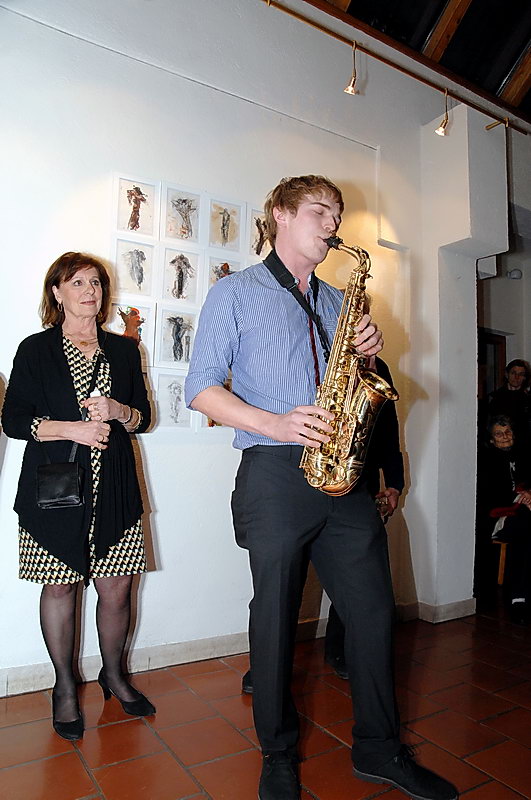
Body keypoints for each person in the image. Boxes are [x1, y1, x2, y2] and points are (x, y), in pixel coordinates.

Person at [185, 175, 457, 800]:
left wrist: (367, 355)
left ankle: (379, 749)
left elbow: (355, 385)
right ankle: (277, 753)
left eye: (337, 214)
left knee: (373, 610)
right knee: (276, 617)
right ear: (280, 214)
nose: (333, 224)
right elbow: (201, 389)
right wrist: (275, 422)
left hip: (341, 472)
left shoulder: (340, 301)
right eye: (319, 211)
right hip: (275, 469)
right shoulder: (235, 292)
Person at [2, 252, 155, 742]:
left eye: (96, 282)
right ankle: (64, 685)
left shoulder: (124, 351)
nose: (90, 291)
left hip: (114, 486)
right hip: (56, 488)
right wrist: (72, 428)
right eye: (77, 283)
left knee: (118, 589)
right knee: (60, 588)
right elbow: (12, 419)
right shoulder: (35, 349)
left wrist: (118, 410)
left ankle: (114, 675)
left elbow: (143, 418)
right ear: (57, 292)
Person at [476, 415, 531, 623]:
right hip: (498, 517)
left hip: (522, 511)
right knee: (524, 527)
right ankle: (519, 597)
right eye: (499, 434)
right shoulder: (487, 461)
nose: (505, 437)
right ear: (492, 439)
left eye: (508, 432)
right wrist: (521, 498)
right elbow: (492, 495)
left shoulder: (523, 456)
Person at [488, 360, 531, 444]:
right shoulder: (495, 397)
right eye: (513, 373)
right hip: (500, 444)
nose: (517, 377)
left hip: (523, 445)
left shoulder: (528, 399)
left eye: (521, 374)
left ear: (525, 377)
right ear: (507, 374)